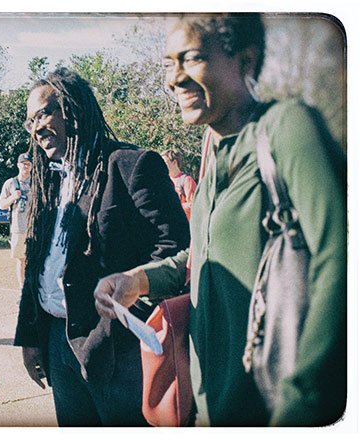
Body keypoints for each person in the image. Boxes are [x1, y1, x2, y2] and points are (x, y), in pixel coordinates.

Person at [94, 14, 346, 427]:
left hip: (277, 411)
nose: (175, 79)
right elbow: (197, 258)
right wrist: (136, 281)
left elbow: (339, 256)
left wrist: (304, 399)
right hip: (212, 411)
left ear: (245, 61)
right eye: (168, 65)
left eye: (191, 58)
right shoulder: (214, 161)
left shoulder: (287, 127)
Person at [13, 68, 190, 426]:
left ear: (73, 109)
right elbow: (36, 265)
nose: (37, 126)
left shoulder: (131, 165)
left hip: (119, 350)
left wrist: (131, 309)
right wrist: (31, 338)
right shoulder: (46, 181)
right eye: (30, 120)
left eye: (45, 113)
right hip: (58, 344)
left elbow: (174, 248)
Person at [0, 152, 32, 288]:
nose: (26, 166)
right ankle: (23, 291)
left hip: (35, 227)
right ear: (18, 165)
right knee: (21, 260)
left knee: (34, 260)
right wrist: (12, 197)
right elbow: (2, 205)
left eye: (28, 164)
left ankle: (33, 290)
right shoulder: (11, 183)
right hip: (18, 228)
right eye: (24, 164)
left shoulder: (37, 181)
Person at [160, 149, 196, 220]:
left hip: (185, 226)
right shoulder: (165, 180)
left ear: (174, 162)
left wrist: (175, 206)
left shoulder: (187, 180)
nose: (162, 166)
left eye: (165, 163)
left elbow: (194, 205)